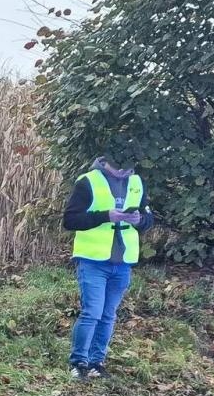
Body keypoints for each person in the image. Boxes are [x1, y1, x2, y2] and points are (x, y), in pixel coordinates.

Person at [61, 156, 154, 378]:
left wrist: (139, 221)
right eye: (120, 166)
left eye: (128, 168)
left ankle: (96, 363)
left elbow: (149, 219)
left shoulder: (137, 183)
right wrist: (106, 216)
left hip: (123, 262)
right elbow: (70, 220)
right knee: (92, 312)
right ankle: (78, 363)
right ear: (107, 161)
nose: (124, 172)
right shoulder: (88, 181)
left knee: (108, 314)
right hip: (93, 260)